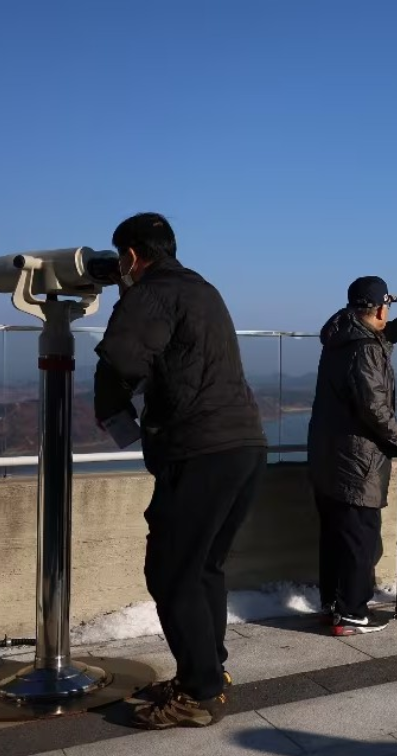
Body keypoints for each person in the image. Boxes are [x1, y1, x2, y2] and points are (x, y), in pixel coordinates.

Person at [93, 212, 269, 729]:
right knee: (204, 566)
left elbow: (122, 360)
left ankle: (199, 691)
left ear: (130, 256)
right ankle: (210, 670)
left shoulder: (152, 292)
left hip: (199, 450)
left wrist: (114, 408)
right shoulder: (201, 288)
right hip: (244, 445)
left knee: (170, 572)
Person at [307, 276, 397, 636]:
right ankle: (351, 612)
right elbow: (374, 406)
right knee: (360, 538)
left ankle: (334, 604)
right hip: (357, 461)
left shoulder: (340, 337)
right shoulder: (365, 349)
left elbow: (376, 337)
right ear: (380, 307)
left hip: (329, 456)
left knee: (336, 534)